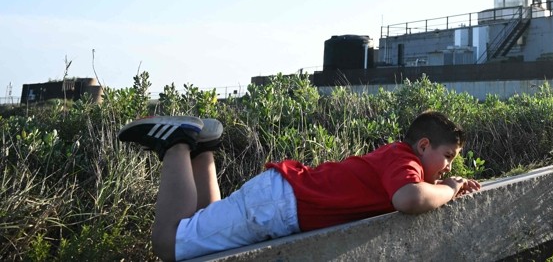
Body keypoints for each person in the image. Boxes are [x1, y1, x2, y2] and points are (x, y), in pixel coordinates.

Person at [118, 110, 481, 261]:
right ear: (423, 146)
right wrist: (448, 189)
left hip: (280, 199)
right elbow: (409, 198)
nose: (449, 166)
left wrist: (449, 186)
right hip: (280, 205)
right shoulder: (405, 161)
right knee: (169, 243)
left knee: (203, 226)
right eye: (447, 156)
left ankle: (204, 150)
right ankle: (177, 141)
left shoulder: (399, 158)